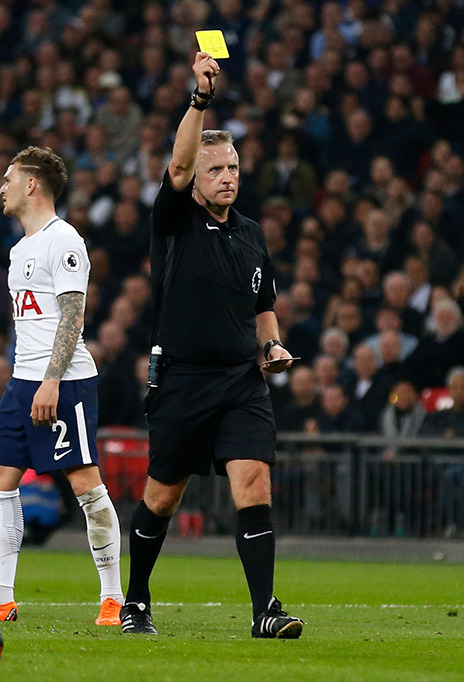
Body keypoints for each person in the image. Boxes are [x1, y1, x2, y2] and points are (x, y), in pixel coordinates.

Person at [120, 53, 303, 639]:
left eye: (233, 166)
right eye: (216, 167)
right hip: (180, 378)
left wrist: (272, 346)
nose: (227, 176)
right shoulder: (172, 219)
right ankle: (136, 599)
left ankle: (264, 612)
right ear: (194, 178)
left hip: (239, 380)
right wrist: (199, 99)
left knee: (254, 480)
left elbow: (263, 305)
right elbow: (175, 163)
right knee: (163, 495)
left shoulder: (251, 235)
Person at [0, 146, 124, 626]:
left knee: (84, 484)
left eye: (9, 177)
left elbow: (73, 316)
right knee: (3, 485)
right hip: (21, 380)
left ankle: (112, 597)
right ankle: (4, 598)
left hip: (63, 381)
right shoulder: (18, 250)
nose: (3, 185)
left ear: (32, 184)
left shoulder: (64, 240)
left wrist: (51, 381)